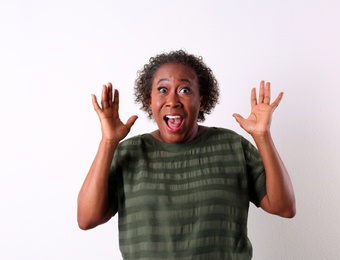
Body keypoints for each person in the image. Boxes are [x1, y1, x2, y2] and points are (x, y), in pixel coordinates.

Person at [77, 50, 296, 259]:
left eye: (184, 90)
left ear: (201, 101)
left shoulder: (232, 146)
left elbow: (284, 207)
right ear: (149, 101)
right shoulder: (129, 152)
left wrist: (262, 136)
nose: (172, 100)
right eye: (163, 90)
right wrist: (108, 142)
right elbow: (87, 219)